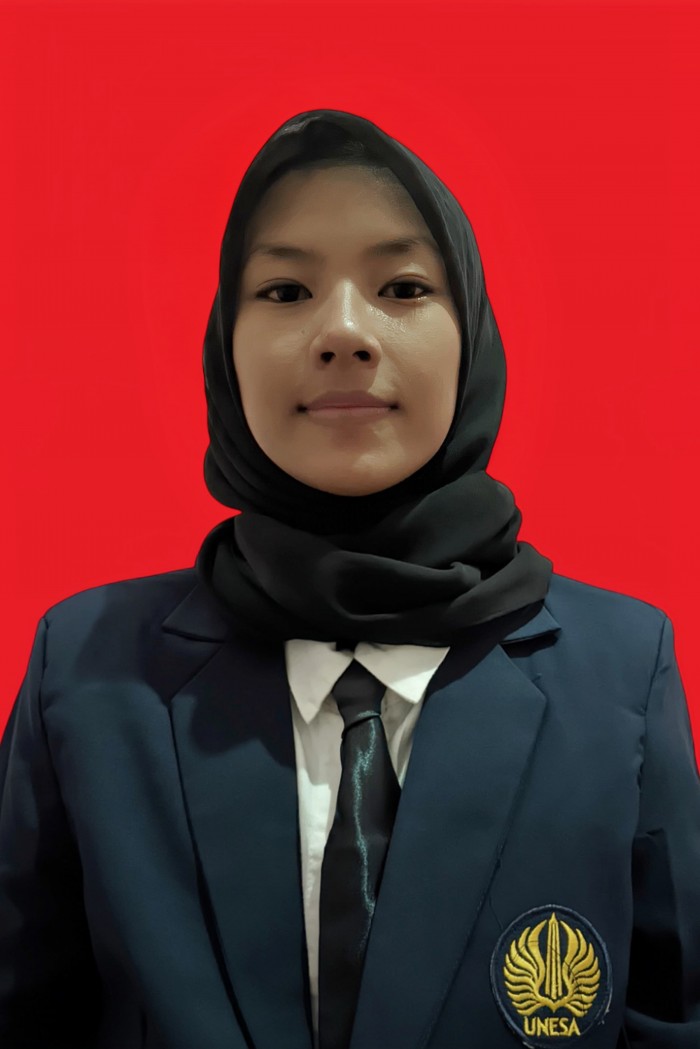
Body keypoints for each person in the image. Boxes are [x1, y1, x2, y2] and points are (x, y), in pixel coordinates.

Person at [1, 108, 698, 1049]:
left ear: (472, 333)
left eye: (402, 286)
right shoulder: (86, 670)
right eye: (285, 290)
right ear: (224, 345)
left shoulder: (621, 671)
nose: (342, 332)